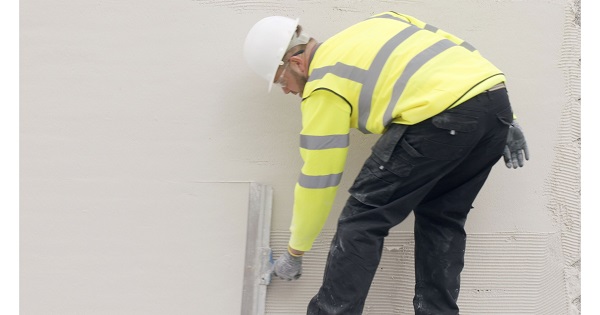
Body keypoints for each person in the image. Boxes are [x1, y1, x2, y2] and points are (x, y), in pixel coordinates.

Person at [243, 11, 529, 315]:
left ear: (297, 63)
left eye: (281, 81)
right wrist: (507, 118)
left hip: (439, 117)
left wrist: (295, 251)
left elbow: (319, 178)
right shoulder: (381, 21)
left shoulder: (324, 83)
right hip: (494, 104)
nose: (287, 90)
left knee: (362, 218)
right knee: (442, 217)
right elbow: (456, 47)